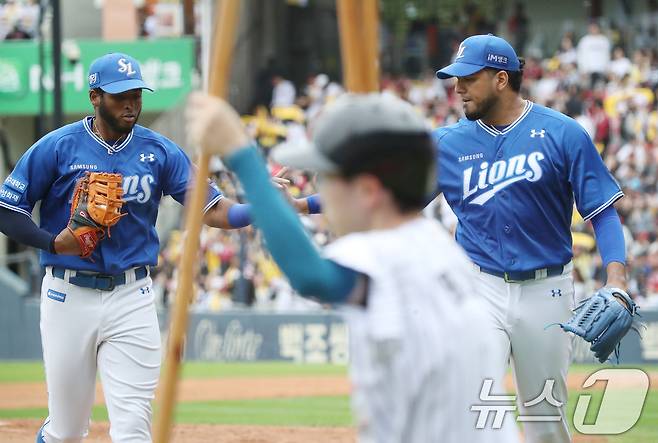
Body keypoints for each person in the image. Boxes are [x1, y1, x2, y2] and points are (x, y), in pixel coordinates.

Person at [0, 52, 304, 443]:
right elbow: (8, 210)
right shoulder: (57, 147)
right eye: (119, 95)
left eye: (136, 94)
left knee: (133, 430)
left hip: (133, 295)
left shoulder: (159, 151)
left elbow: (213, 211)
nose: (131, 103)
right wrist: (52, 242)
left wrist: (261, 204)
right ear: (94, 97)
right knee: (67, 431)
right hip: (67, 293)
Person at [185, 92, 519, 443]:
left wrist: (241, 154)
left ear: (368, 190)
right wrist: (280, 209)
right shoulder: (435, 246)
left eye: (327, 178)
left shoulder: (382, 252)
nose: (320, 192)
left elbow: (309, 275)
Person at [434, 34, 627, 443]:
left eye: (468, 78)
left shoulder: (563, 133)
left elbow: (603, 214)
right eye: (456, 78)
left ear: (501, 79)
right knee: (470, 407)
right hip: (477, 285)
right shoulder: (446, 144)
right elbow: (386, 193)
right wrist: (303, 206)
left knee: (545, 425)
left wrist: (617, 281)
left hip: (547, 292)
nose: (458, 87)